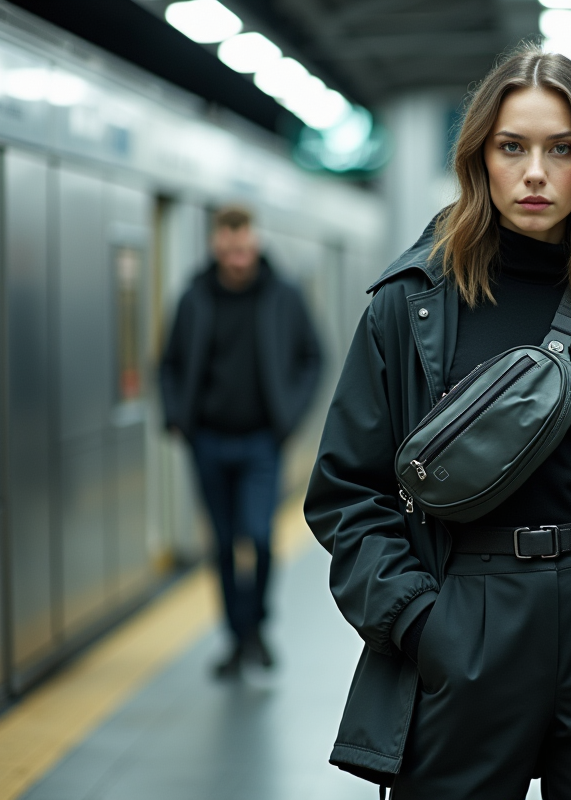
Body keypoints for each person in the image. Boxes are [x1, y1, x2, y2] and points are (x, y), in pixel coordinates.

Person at [305, 47, 571, 800]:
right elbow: (346, 491)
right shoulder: (411, 305)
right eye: (513, 147)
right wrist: (421, 623)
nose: (535, 172)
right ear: (480, 159)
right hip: (468, 609)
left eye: (561, 148)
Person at [160, 205, 322, 679]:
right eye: (228, 247)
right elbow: (168, 363)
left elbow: (312, 356)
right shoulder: (194, 297)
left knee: (261, 537)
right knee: (224, 544)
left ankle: (255, 627)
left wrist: (289, 417)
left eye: (243, 245)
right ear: (216, 244)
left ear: (255, 242)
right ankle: (237, 637)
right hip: (208, 440)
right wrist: (177, 418)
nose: (236, 255)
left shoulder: (283, 295)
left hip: (260, 442)